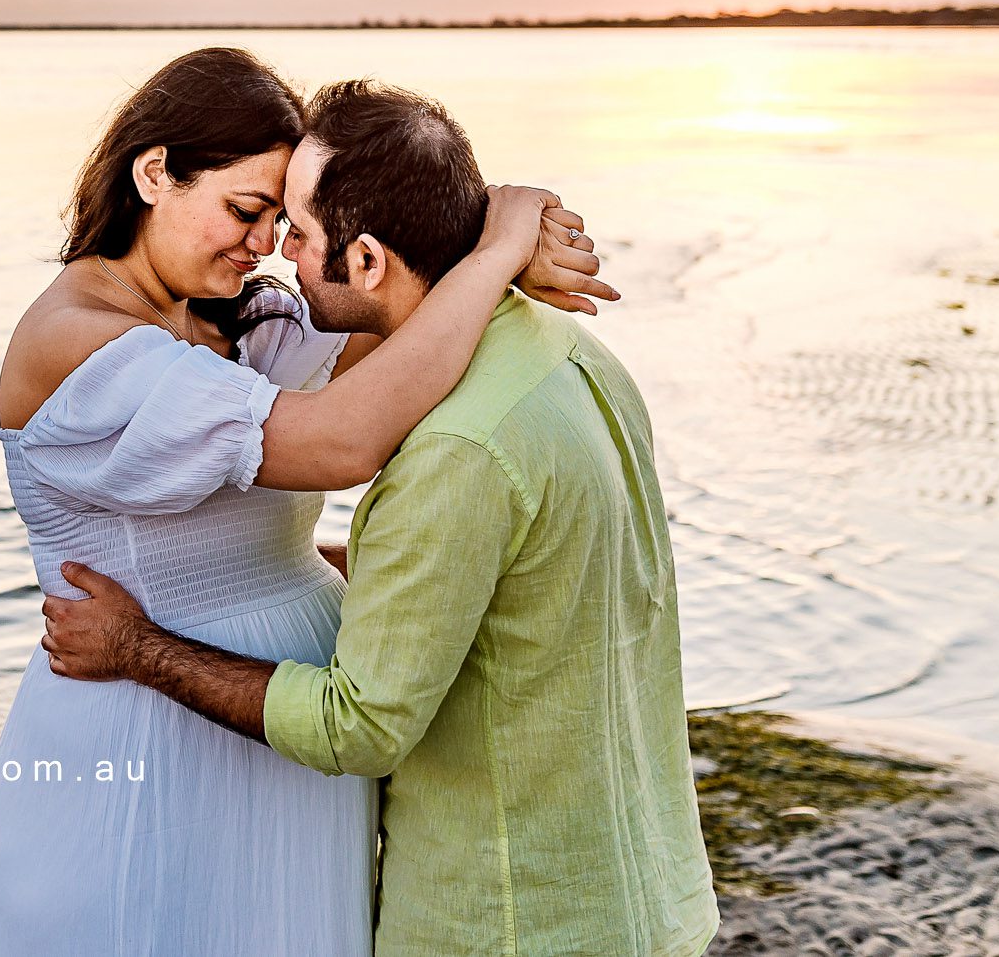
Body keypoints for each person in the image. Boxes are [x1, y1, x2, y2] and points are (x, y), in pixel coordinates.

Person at [41, 78, 719, 957]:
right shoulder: (571, 352)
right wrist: (495, 240)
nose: (277, 250)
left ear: (364, 261)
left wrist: (138, 647)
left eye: (293, 227)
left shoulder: (454, 450)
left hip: (510, 916)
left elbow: (356, 724)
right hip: (643, 883)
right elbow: (508, 569)